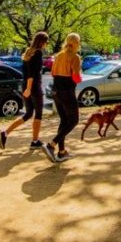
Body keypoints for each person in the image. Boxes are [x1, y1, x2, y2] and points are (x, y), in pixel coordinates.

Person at [0, 31, 49, 150]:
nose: (47, 44)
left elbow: (27, 72)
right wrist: (29, 88)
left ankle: (5, 133)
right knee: (38, 113)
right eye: (46, 42)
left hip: (25, 86)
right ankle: (35, 141)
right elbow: (32, 73)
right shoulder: (38, 53)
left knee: (29, 113)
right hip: (33, 87)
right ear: (42, 42)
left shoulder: (27, 53)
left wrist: (27, 88)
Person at [43, 32, 82, 163]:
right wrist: (79, 78)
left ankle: (62, 152)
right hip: (67, 91)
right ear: (76, 43)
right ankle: (51, 145)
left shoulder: (58, 55)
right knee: (74, 120)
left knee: (64, 121)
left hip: (56, 91)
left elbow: (53, 72)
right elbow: (76, 77)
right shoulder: (75, 57)